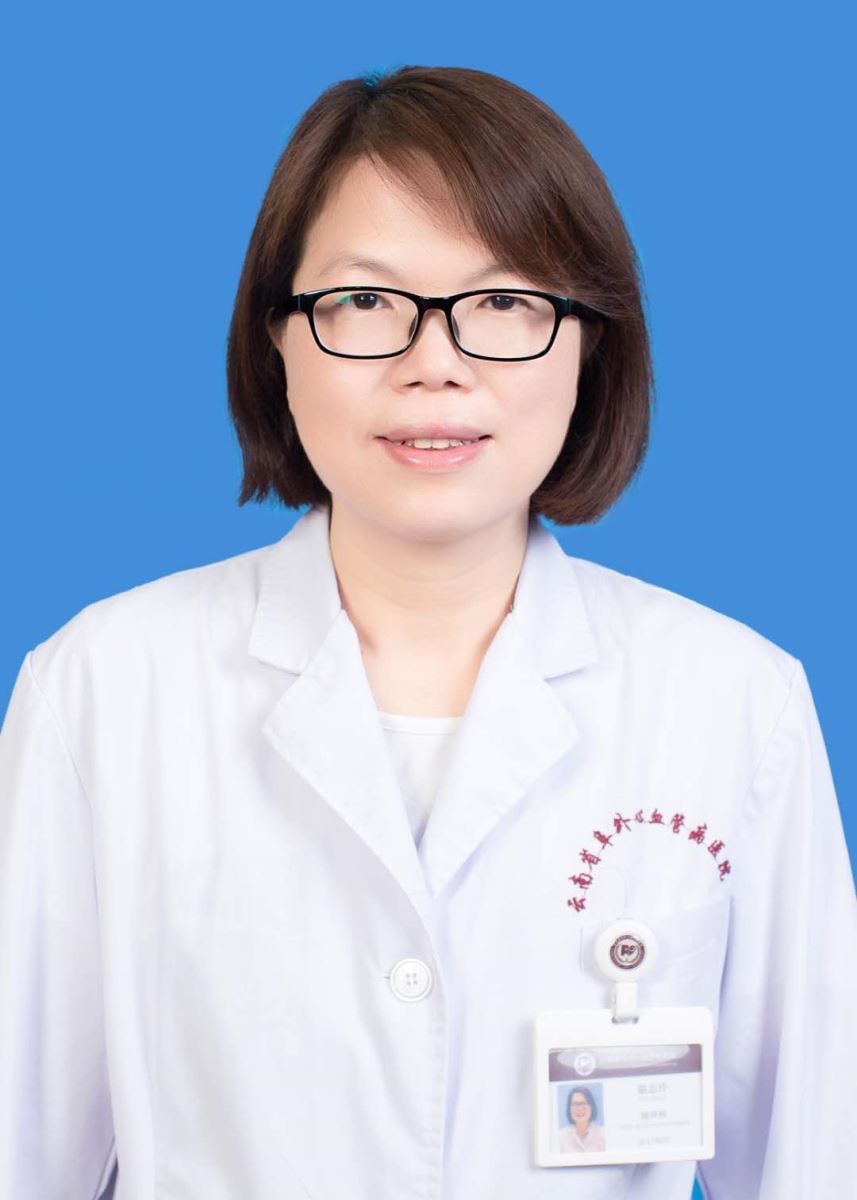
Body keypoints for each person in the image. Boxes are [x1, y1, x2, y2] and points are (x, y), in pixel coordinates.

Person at [0, 64, 855, 1200]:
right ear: (277, 339)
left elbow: (813, 1164)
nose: (434, 364)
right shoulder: (103, 690)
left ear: (588, 345)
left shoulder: (732, 702)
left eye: (502, 303)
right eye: (365, 302)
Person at [558, 1087, 607, 1153]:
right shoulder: (560, 1137)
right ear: (569, 1109)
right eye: (575, 1104)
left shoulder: (604, 1134)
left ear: (592, 1107)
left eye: (584, 1103)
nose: (580, 1109)